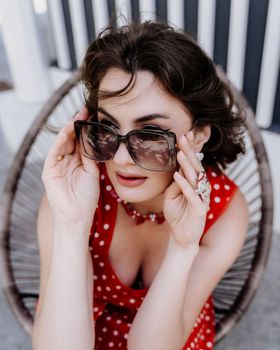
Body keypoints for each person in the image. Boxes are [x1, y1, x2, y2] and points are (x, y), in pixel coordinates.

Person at [32, 21, 249, 350]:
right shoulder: (79, 192)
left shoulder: (223, 212)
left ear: (200, 134)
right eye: (107, 126)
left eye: (150, 134)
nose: (119, 159)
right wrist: (72, 224)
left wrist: (183, 247)